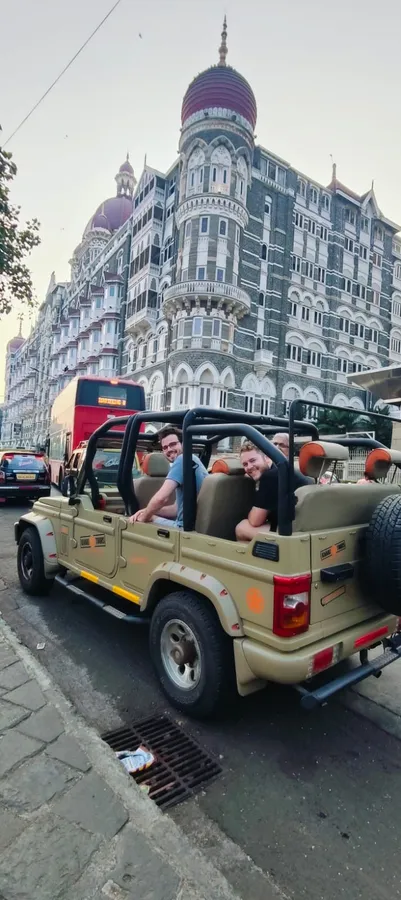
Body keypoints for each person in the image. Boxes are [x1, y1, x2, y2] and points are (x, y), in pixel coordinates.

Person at [235, 434, 312, 541]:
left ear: (267, 457)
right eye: (245, 464)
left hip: (292, 533)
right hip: (305, 527)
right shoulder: (282, 470)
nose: (249, 467)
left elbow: (255, 521)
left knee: (242, 527)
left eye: (253, 461)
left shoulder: (271, 476)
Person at [129, 425, 208, 529]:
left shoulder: (182, 460)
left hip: (184, 528)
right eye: (165, 447)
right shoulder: (193, 461)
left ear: (183, 444)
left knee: (149, 518)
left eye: (173, 444)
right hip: (196, 527)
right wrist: (147, 511)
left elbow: (161, 498)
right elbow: (175, 509)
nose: (169, 449)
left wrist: (144, 517)